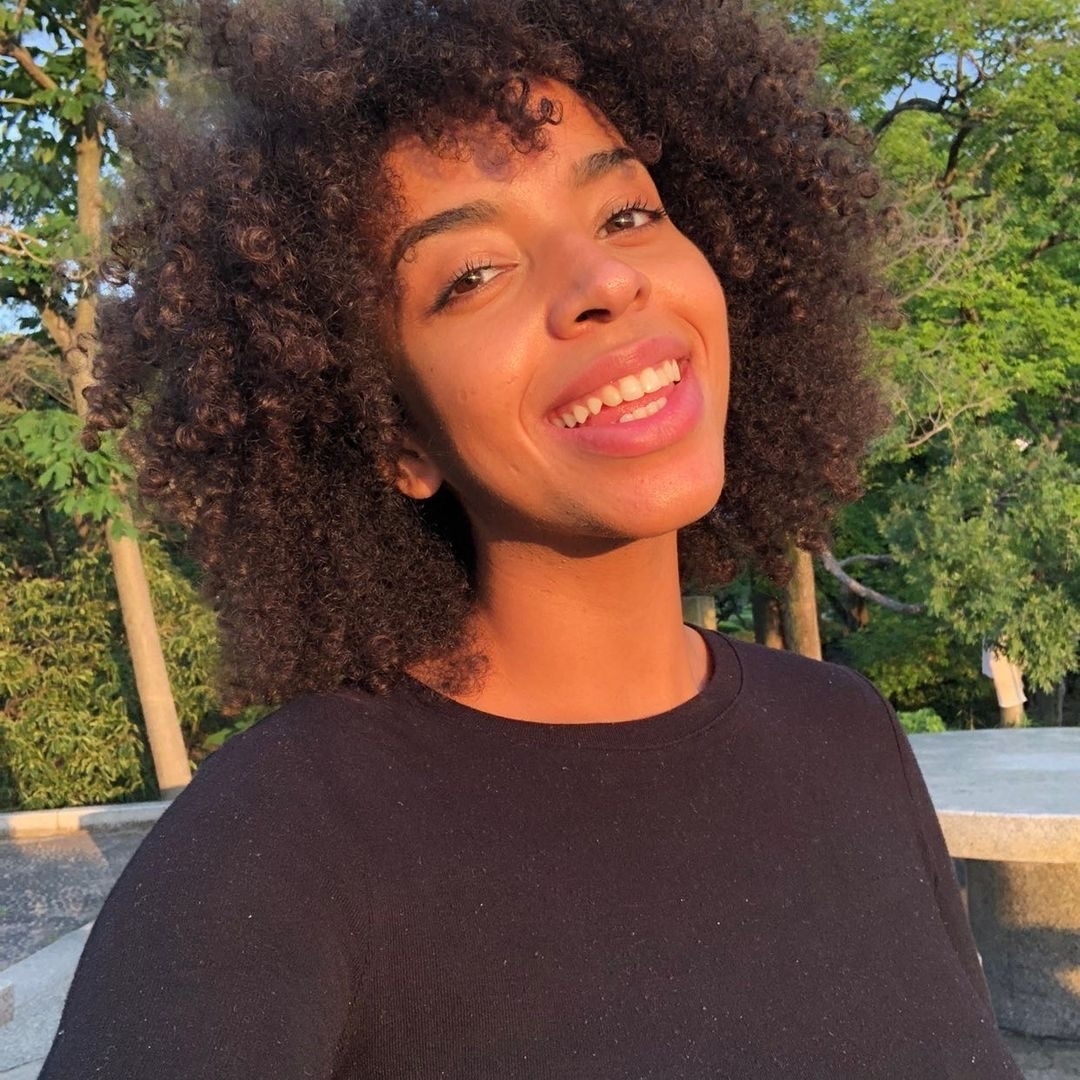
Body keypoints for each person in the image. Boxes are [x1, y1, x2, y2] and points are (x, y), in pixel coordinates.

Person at [41, 0, 1023, 1076]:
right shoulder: (267, 852)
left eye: (628, 214)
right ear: (395, 434)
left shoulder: (847, 731)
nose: (605, 281)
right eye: (472, 276)